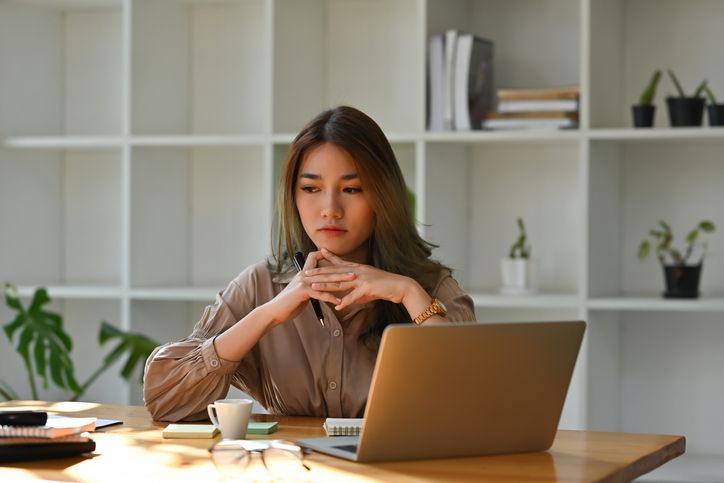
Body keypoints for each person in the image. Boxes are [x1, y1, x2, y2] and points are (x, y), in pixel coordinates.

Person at [143, 106, 475, 421]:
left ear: (382, 197)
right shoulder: (260, 286)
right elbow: (166, 399)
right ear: (293, 196)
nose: (330, 208)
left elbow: (474, 403)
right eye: (311, 188)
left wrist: (408, 293)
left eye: (352, 188)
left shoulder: (432, 289)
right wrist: (269, 313)